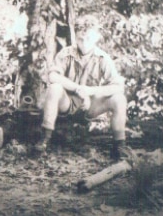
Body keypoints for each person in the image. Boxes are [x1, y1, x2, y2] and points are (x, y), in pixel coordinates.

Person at [33, 15, 128, 160]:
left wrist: (91, 91)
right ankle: (44, 140)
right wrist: (78, 88)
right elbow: (53, 76)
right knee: (54, 88)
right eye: (80, 39)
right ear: (76, 37)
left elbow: (118, 86)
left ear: (96, 37)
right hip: (68, 102)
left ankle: (119, 146)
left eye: (89, 38)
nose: (84, 43)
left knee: (119, 99)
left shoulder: (103, 58)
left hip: (91, 104)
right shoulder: (66, 53)